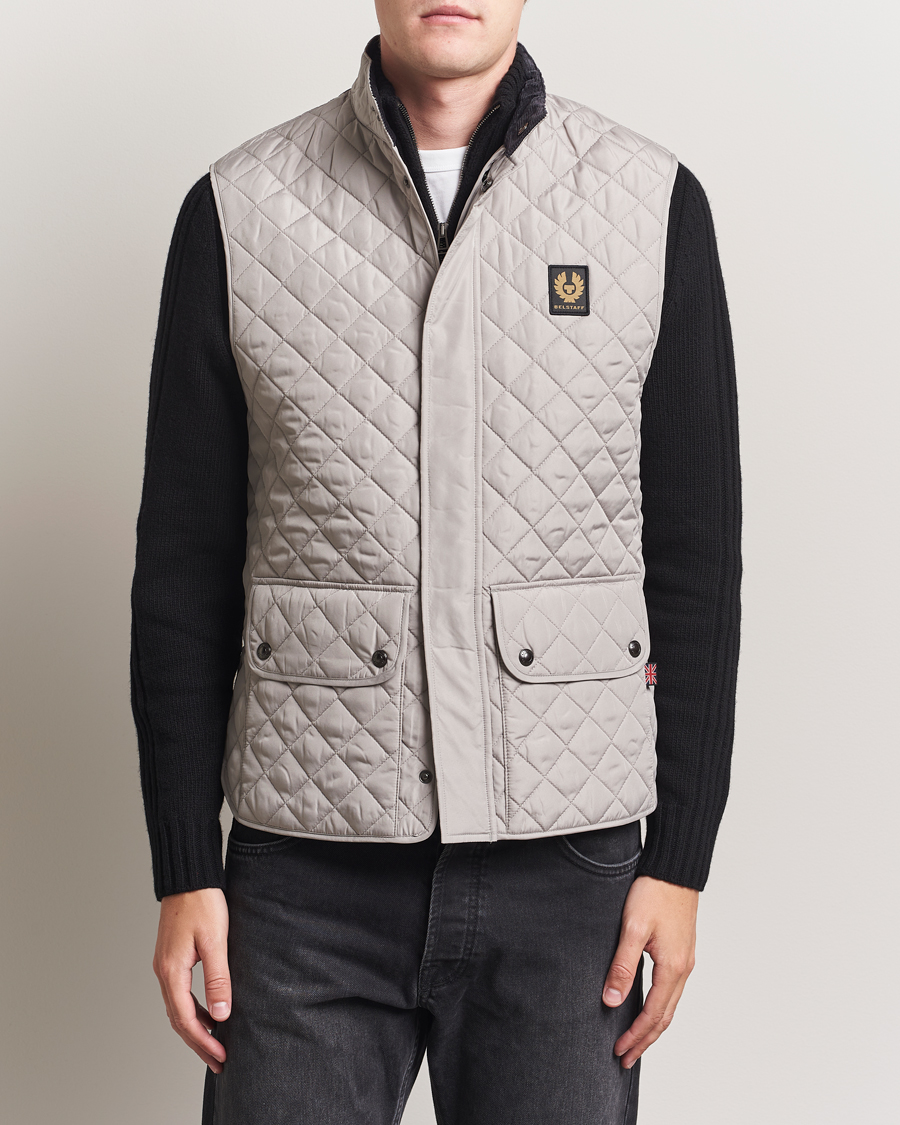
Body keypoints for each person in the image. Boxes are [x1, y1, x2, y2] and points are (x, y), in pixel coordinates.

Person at [130, 2, 741, 1122]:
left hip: (571, 882)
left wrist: (681, 859)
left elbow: (698, 560)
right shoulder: (237, 208)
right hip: (304, 880)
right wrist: (184, 867)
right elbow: (182, 564)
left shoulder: (651, 204)